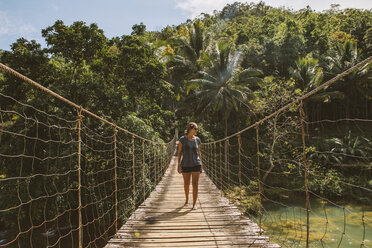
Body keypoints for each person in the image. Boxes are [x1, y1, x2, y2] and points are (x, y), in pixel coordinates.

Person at [177, 122, 203, 210]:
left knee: (195, 184)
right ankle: (187, 200)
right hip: (185, 164)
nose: (196, 131)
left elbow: (199, 152)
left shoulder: (197, 140)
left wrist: (201, 164)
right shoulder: (182, 139)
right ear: (190, 129)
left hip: (196, 164)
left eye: (197, 129)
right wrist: (178, 164)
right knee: (186, 184)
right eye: (195, 129)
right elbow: (179, 152)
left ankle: (194, 204)